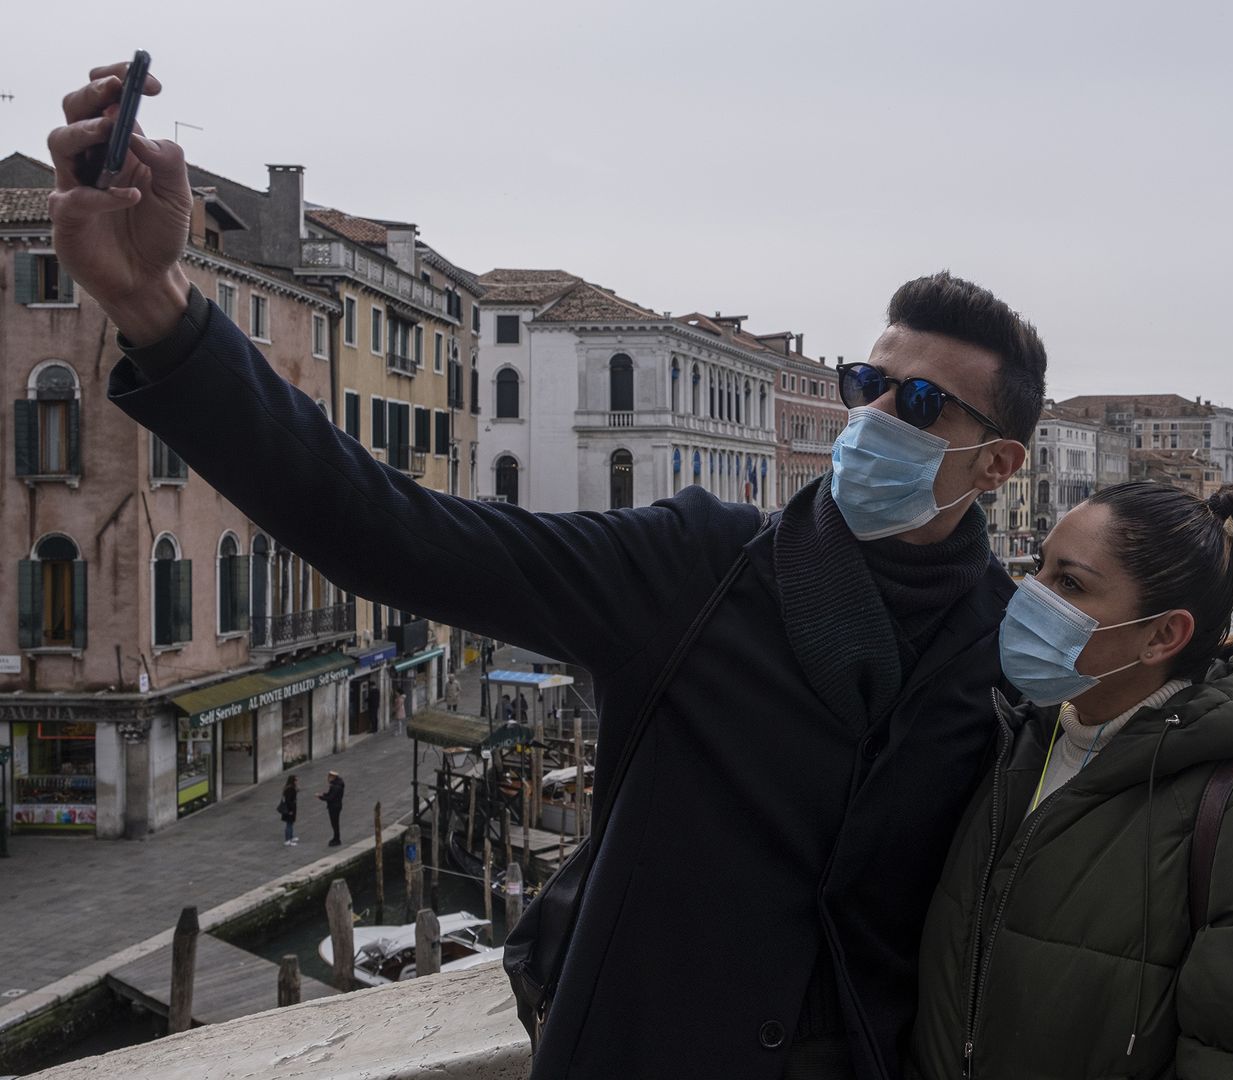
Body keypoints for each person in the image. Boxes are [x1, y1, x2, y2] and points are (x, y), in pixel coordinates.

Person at [50, 60, 1043, 1080]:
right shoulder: (697, 567)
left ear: (998, 463)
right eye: (866, 384)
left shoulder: (1011, 657)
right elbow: (388, 532)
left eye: (918, 406)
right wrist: (160, 308)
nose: (872, 418)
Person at [908, 483, 1233, 1079]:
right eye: (1038, 567)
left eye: (1069, 583)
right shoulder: (1020, 744)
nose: (1027, 594)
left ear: (1163, 635)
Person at [319, 771, 345, 847]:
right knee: (334, 823)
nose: (328, 779)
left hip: (334, 807)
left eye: (329, 777)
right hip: (336, 806)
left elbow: (331, 798)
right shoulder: (337, 785)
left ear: (332, 777)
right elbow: (330, 794)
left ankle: (337, 839)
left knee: (335, 823)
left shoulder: (335, 787)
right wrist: (323, 794)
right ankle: (336, 838)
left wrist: (320, 797)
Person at [277, 775, 299, 846]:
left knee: (291, 823)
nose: (297, 782)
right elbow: (288, 800)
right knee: (289, 824)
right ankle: (287, 840)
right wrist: (290, 810)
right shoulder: (290, 789)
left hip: (290, 808)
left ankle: (291, 837)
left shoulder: (290, 788)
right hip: (289, 809)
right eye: (295, 780)